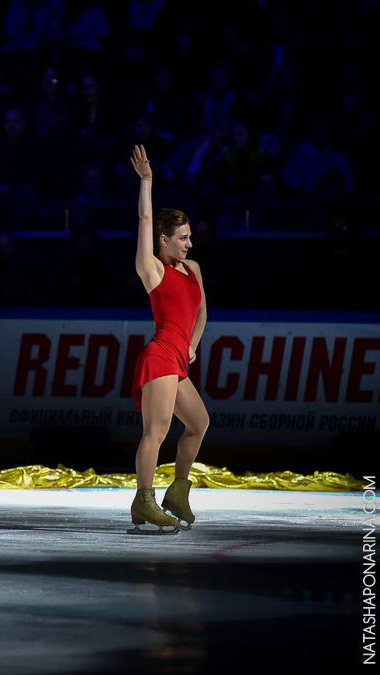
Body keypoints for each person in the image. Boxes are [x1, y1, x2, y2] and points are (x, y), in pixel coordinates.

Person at [128, 144, 209, 535]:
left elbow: (202, 312)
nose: (189, 244)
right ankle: (144, 501)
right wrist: (147, 182)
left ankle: (177, 492)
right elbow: (145, 217)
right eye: (182, 237)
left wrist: (193, 343)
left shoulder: (192, 269)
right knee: (155, 433)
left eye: (190, 236)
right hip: (160, 358)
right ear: (163, 239)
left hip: (178, 360)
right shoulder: (153, 269)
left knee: (198, 423)